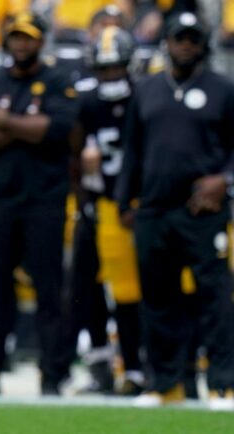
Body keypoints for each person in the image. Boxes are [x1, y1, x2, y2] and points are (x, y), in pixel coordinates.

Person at [116, 12, 234, 409]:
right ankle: (164, 385)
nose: (185, 44)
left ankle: (223, 384)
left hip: (204, 211)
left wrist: (225, 180)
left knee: (215, 297)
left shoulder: (223, 89)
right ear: (165, 42)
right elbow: (132, 151)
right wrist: (124, 201)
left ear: (203, 44)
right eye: (179, 37)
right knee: (157, 300)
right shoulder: (147, 89)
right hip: (154, 209)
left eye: (193, 38)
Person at [0, 12, 79, 395]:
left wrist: (5, 123)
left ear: (41, 41)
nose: (21, 44)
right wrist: (25, 127)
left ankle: (52, 375)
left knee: (49, 289)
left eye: (28, 38)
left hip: (45, 200)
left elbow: (57, 130)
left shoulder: (58, 80)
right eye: (15, 37)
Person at [69, 25, 145, 395]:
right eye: (104, 68)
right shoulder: (88, 103)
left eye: (116, 68)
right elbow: (74, 154)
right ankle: (101, 366)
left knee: (130, 291)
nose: (110, 75)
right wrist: (83, 201)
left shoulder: (144, 98)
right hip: (98, 206)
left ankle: (135, 366)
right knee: (85, 287)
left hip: (131, 206)